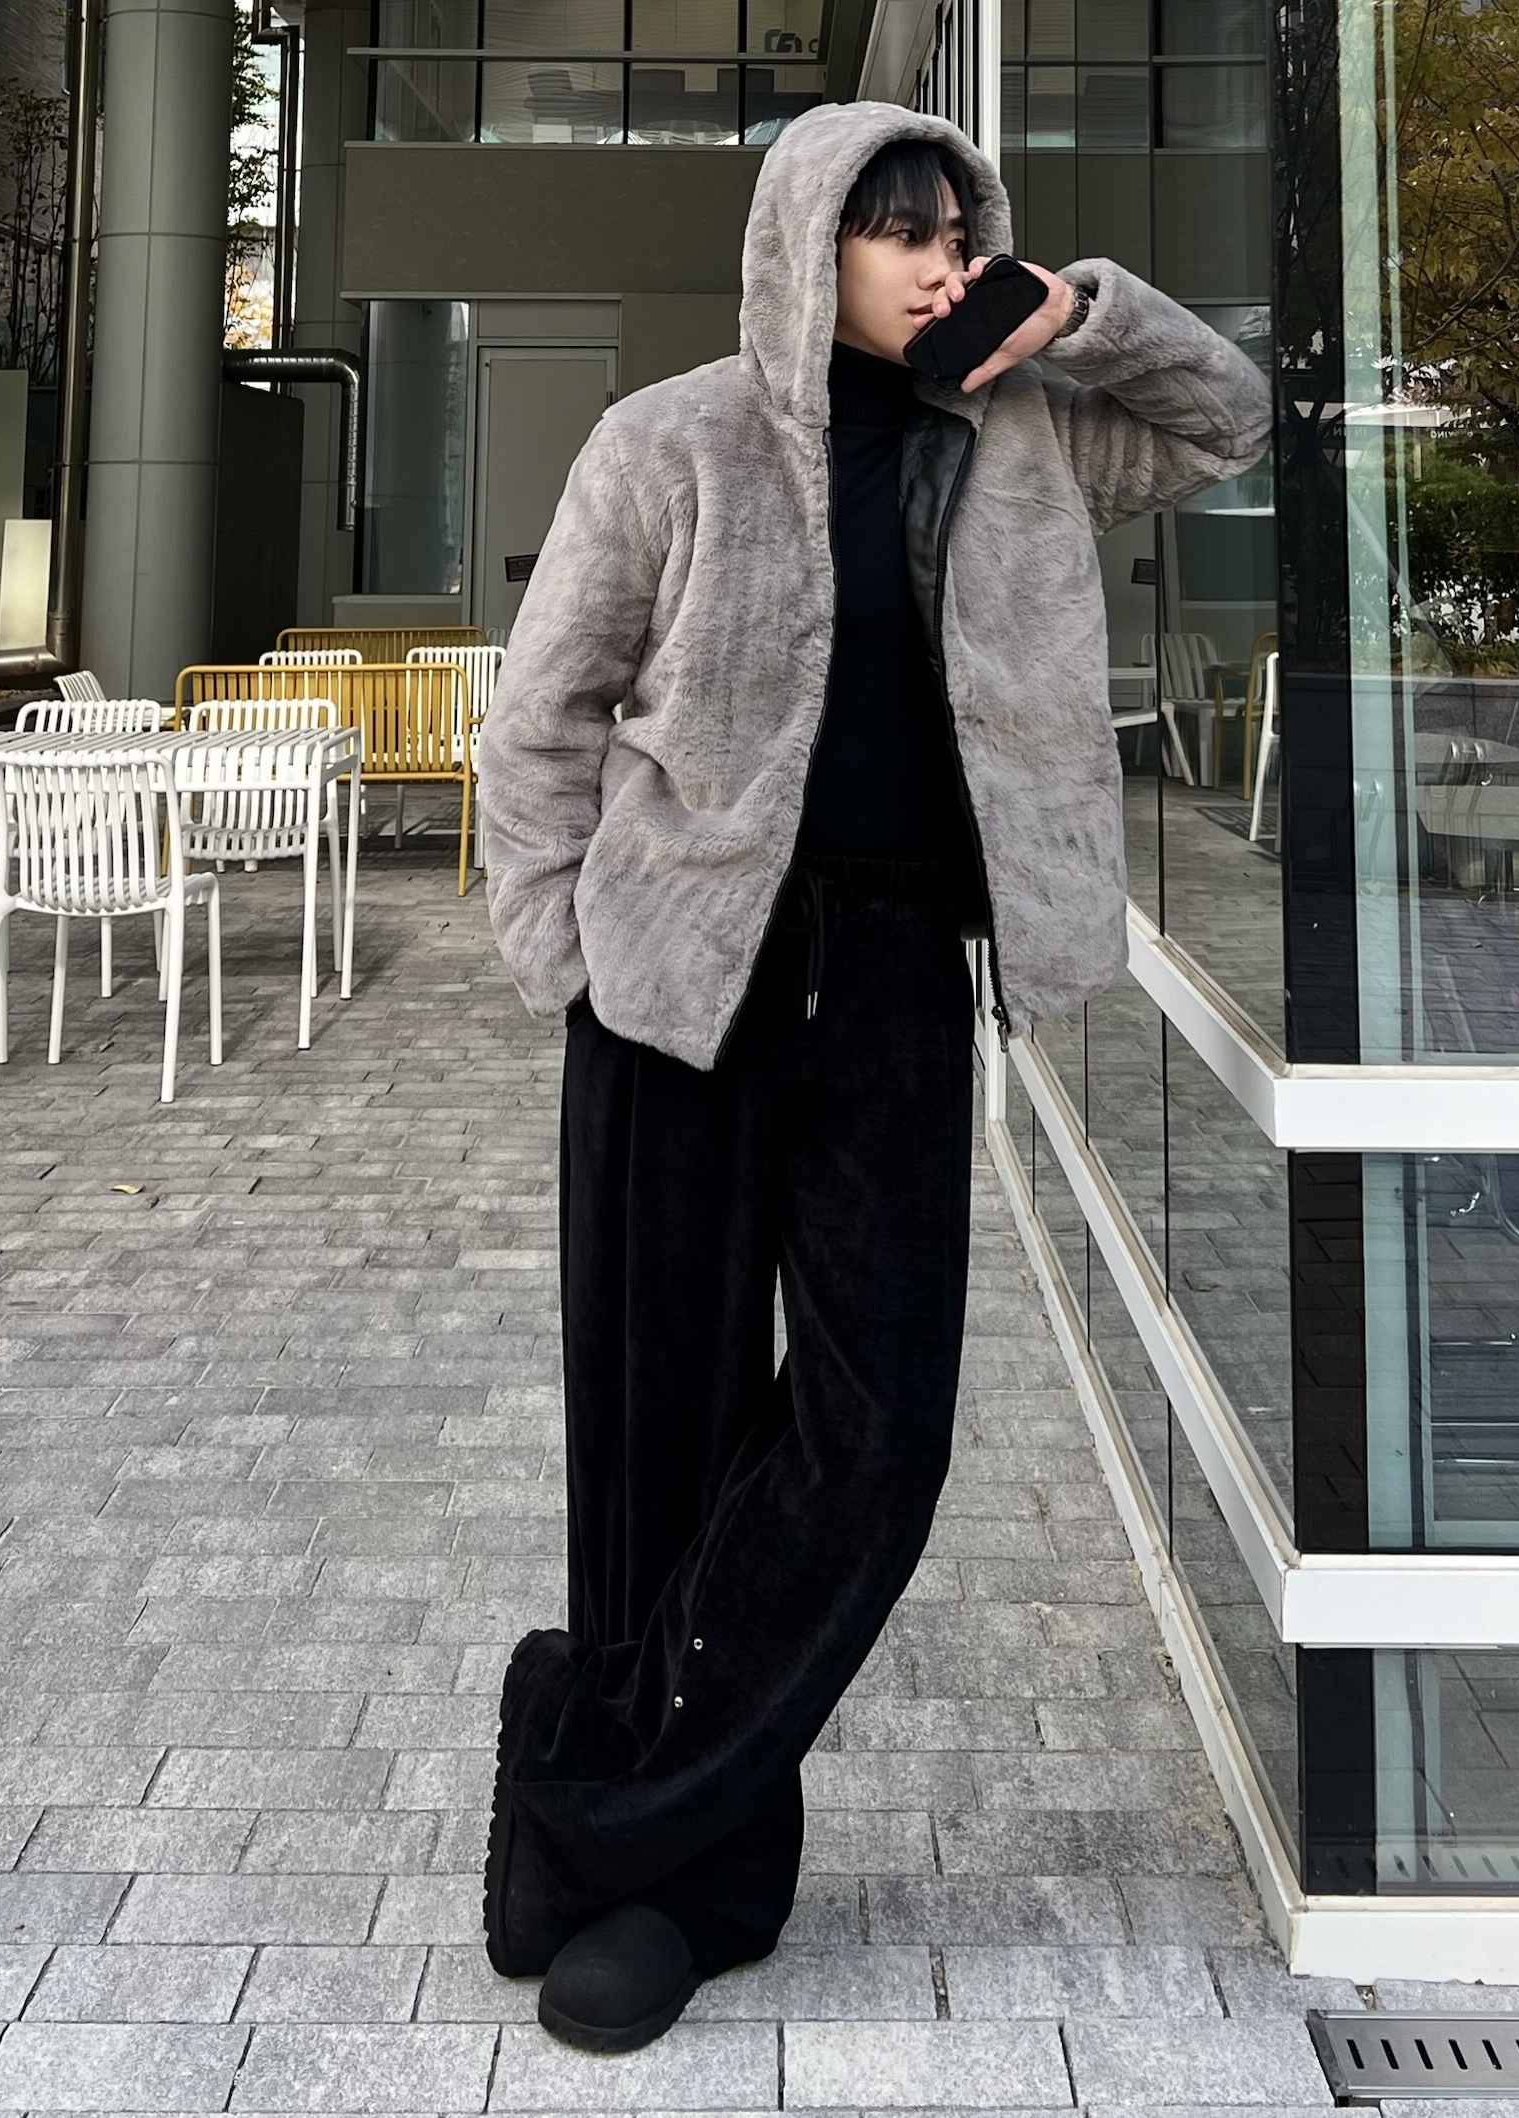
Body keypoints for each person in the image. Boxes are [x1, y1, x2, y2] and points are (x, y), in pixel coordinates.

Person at [474, 99, 1268, 2053]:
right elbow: (541, 716)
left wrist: (1076, 309)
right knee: (658, 1435)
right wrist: (564, 952)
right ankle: (685, 1890)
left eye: (954, 229)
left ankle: (585, 1791)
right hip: (680, 989)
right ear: (802, 242)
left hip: (900, 976)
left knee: (877, 1436)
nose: (934, 259)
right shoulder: (666, 441)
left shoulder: (1027, 429)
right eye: (895, 227)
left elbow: (1227, 418)